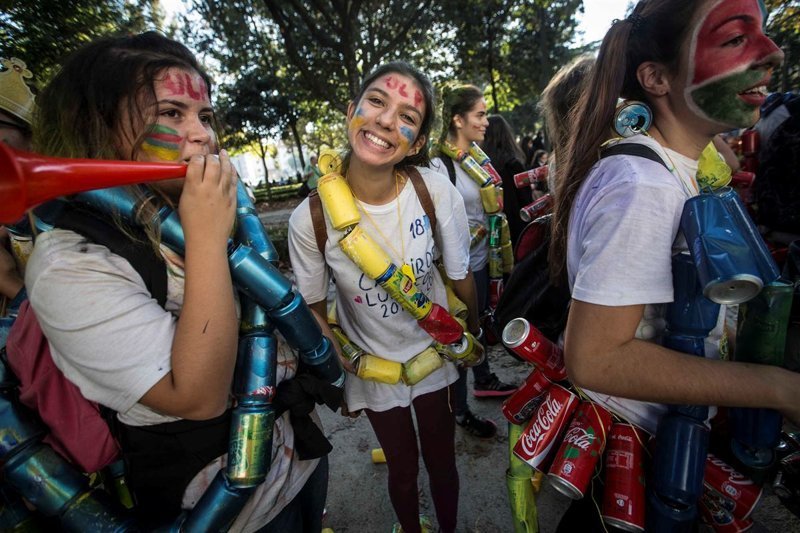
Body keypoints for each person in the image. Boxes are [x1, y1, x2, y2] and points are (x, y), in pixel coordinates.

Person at [25, 32, 327, 530]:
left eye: (204, 116)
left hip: (295, 460)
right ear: (94, 126)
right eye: (171, 113)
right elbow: (196, 396)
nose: (203, 135)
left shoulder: (184, 210)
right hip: (225, 506)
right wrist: (209, 239)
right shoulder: (70, 262)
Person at [548, 0, 798, 529]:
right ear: (657, 78)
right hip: (632, 467)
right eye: (734, 39)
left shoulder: (672, 169)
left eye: (764, 34)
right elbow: (595, 359)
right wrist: (776, 387)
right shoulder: (642, 186)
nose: (772, 53)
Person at [289, 61, 474, 533]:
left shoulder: (433, 190)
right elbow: (313, 306)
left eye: (407, 117)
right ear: (352, 111)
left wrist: (470, 335)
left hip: (434, 354)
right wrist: (339, 364)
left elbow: (459, 277)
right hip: (372, 368)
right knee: (402, 469)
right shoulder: (308, 219)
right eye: (376, 101)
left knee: (442, 462)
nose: (388, 120)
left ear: (414, 143)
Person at [430, 84, 516, 439]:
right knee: (462, 335)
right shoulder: (438, 164)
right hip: (455, 269)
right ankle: (460, 411)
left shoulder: (477, 159)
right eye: (479, 115)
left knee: (480, 322)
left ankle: (484, 380)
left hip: (483, 260)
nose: (485, 121)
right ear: (457, 119)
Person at [481, 115, 531, 246]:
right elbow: (526, 199)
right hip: (516, 228)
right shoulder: (514, 164)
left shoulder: (481, 167)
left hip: (490, 227)